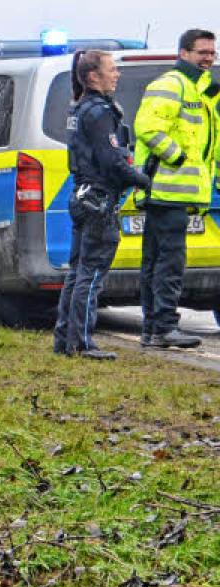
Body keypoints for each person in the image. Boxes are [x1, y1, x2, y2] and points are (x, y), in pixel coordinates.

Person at [54, 50, 151, 359]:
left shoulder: (79, 108)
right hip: (98, 201)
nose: (117, 74)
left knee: (77, 272)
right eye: (111, 69)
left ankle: (64, 340)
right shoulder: (99, 112)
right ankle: (82, 343)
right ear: (93, 76)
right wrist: (143, 181)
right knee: (92, 274)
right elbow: (111, 162)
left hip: (82, 196)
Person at [133, 29, 219, 349]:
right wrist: (176, 157)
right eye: (202, 52)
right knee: (169, 263)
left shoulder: (201, 90)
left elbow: (210, 145)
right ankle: (165, 327)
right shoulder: (172, 84)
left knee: (157, 261)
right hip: (168, 191)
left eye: (212, 52)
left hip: (177, 193)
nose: (208, 58)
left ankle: (153, 329)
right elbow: (148, 126)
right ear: (184, 53)